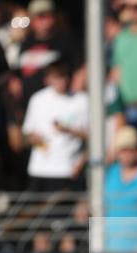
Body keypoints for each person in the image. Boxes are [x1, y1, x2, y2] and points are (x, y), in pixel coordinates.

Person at [22, 62, 88, 192]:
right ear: (47, 80)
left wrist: (68, 130)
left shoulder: (82, 100)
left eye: (63, 77)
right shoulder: (37, 99)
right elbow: (27, 133)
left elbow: (91, 136)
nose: (60, 82)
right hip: (40, 169)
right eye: (56, 78)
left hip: (68, 168)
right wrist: (34, 139)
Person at [18, 0, 80, 100]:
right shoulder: (25, 43)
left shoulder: (66, 40)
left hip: (60, 101)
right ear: (32, 19)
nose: (45, 20)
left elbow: (79, 71)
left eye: (49, 15)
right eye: (40, 16)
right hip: (30, 103)